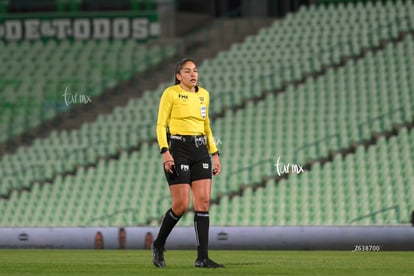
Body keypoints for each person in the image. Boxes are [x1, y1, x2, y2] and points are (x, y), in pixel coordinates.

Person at [152, 58, 223, 268]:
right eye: (188, 71)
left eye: (195, 71)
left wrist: (215, 153)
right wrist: (165, 152)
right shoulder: (170, 93)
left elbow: (206, 125)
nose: (193, 74)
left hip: (200, 150)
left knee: (203, 203)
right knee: (181, 205)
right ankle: (158, 244)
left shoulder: (204, 95)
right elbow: (160, 124)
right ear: (178, 75)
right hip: (178, 149)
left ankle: (202, 258)